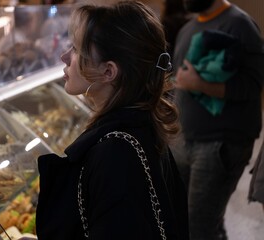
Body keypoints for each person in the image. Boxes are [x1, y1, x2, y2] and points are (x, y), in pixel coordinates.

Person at [36, 1, 189, 239]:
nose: (65, 56)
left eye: (77, 49)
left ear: (109, 71)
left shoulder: (115, 154)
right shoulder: (140, 123)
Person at [171, 0, 264, 239]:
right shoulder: (187, 29)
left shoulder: (239, 24)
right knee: (192, 223)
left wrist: (200, 85)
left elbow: (254, 85)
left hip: (219, 145)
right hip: (185, 140)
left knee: (198, 228)